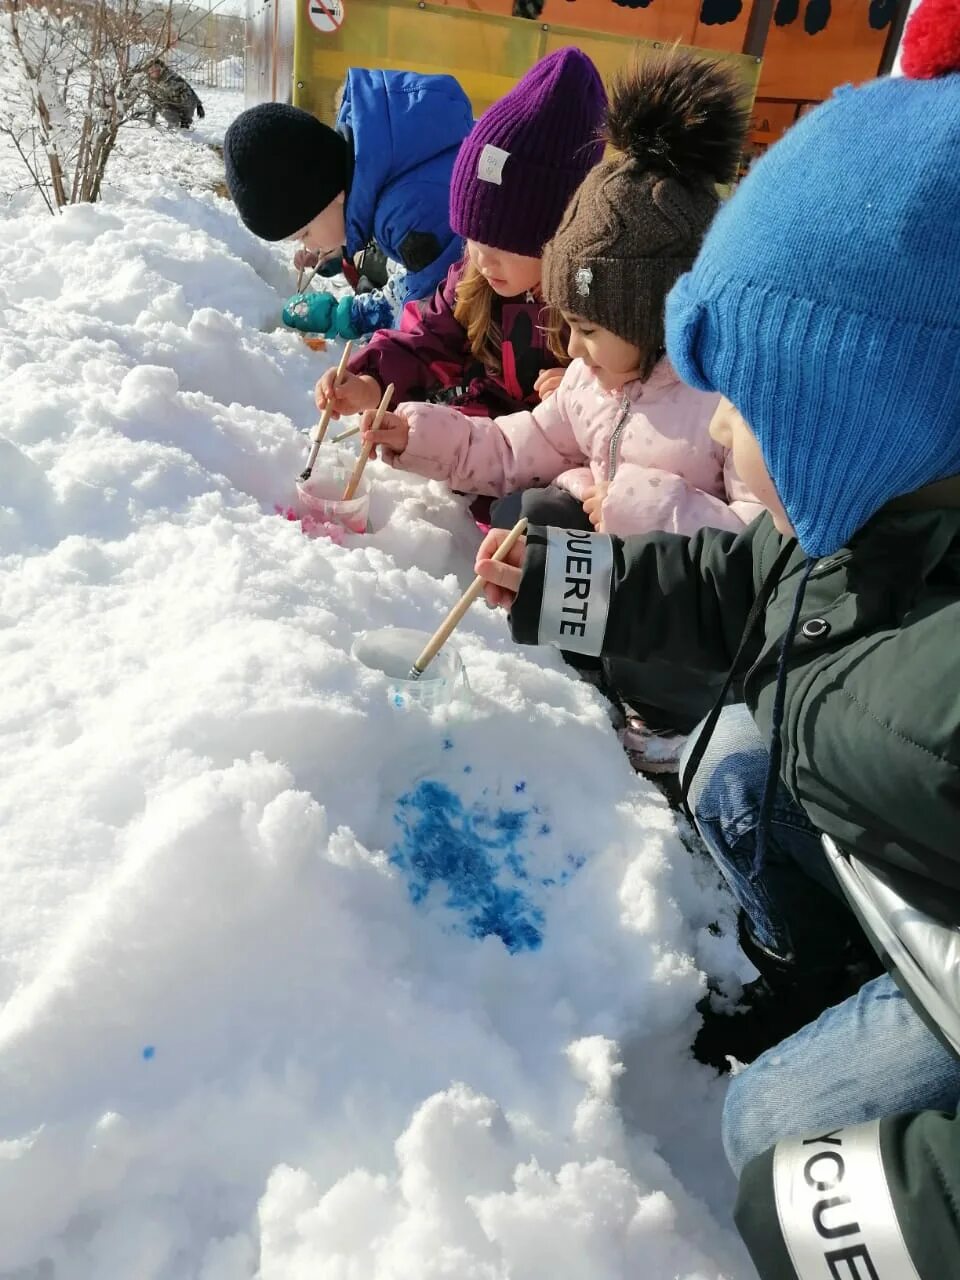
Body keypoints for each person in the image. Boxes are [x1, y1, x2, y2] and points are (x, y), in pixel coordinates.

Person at [473, 0, 960, 1270]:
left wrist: (896, 1216)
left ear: (870, 408)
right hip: (887, 870)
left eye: (746, 401)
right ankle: (812, 969)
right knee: (730, 763)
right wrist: (555, 584)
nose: (723, 432)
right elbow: (724, 581)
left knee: (770, 1133)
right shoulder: (870, 523)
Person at [359, 53, 762, 767]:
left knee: (604, 557)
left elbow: (757, 555)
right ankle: (582, 676)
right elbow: (519, 446)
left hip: (687, 630)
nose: (567, 347)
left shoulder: (726, 406)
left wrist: (638, 502)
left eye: (586, 330)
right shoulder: (592, 379)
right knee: (535, 515)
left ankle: (668, 724)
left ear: (653, 319)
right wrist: (418, 433)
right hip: (619, 602)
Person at [314, 47, 607, 423]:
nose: (482, 259)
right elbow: (424, 340)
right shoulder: (473, 278)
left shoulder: (595, 302)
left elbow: (640, 395)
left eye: (501, 243)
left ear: (560, 238)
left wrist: (587, 389)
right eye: (472, 236)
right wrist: (369, 379)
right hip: (482, 446)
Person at [223, 70, 472, 335]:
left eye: (304, 233)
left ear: (332, 193)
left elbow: (431, 315)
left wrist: (349, 316)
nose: (309, 244)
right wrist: (342, 252)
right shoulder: (376, 157)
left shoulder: (408, 211)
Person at [142, 58, 205, 129]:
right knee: (161, 106)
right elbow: (152, 100)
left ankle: (180, 124)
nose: (154, 70)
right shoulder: (151, 82)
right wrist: (151, 121)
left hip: (186, 105)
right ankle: (174, 124)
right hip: (171, 105)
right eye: (151, 69)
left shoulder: (171, 77)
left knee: (183, 129)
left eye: (156, 67)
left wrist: (199, 105)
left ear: (160, 68)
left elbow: (187, 88)